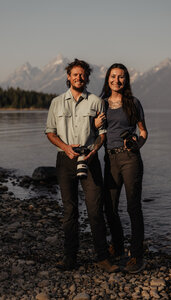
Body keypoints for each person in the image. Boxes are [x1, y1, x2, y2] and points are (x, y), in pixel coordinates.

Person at [45, 59, 119, 273]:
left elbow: (102, 135)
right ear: (68, 77)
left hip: (90, 158)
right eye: (74, 74)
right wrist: (66, 147)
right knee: (70, 212)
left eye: (82, 75)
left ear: (87, 78)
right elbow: (50, 132)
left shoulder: (96, 101)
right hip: (64, 159)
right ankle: (70, 258)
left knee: (95, 211)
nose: (78, 78)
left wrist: (94, 151)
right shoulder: (56, 102)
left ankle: (103, 258)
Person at [95, 63, 148, 273]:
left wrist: (137, 143)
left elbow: (143, 132)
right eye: (113, 76)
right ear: (107, 78)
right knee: (110, 207)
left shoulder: (133, 103)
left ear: (126, 80)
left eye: (121, 77)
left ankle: (136, 256)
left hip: (130, 159)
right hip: (109, 159)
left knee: (133, 207)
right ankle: (117, 246)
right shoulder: (100, 104)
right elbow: (94, 132)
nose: (117, 80)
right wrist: (95, 124)